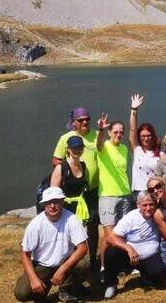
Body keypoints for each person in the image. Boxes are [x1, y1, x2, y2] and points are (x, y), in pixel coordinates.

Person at [14, 187, 88, 303]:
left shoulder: (72, 219)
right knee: (21, 293)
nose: (52, 206)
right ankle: (43, 288)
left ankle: (66, 288)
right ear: (44, 204)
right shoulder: (35, 224)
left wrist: (62, 269)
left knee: (83, 264)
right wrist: (34, 279)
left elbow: (83, 248)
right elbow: (25, 254)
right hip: (42, 265)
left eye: (56, 201)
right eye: (48, 202)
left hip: (65, 262)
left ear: (62, 201)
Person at [52, 107, 99, 267]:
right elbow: (56, 160)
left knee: (92, 224)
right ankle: (70, 260)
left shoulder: (97, 136)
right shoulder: (66, 138)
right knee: (71, 226)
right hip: (73, 192)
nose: (85, 122)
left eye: (87, 119)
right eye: (81, 120)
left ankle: (93, 258)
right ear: (74, 122)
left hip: (92, 190)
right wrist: (71, 168)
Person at [102, 191, 166, 298]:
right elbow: (111, 238)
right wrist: (129, 248)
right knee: (111, 252)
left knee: (158, 277)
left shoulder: (158, 214)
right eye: (144, 205)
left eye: (151, 204)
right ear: (138, 206)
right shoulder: (131, 217)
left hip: (151, 256)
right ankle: (111, 284)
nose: (148, 208)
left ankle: (146, 276)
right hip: (130, 257)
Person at [95, 116, 133, 273]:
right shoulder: (104, 146)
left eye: (121, 132)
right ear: (110, 132)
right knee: (108, 234)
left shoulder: (124, 149)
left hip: (124, 194)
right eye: (115, 132)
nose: (118, 135)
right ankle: (104, 266)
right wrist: (101, 130)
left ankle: (121, 264)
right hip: (108, 196)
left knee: (122, 232)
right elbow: (97, 144)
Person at [37, 135, 88, 214]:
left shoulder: (83, 165)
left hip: (78, 207)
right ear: (68, 149)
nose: (78, 150)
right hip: (62, 209)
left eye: (80, 147)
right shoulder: (61, 168)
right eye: (74, 148)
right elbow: (53, 194)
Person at [128, 94, 161, 201]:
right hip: (138, 193)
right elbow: (132, 130)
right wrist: (134, 110)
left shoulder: (161, 154)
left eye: (148, 136)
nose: (146, 138)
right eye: (143, 136)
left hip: (154, 193)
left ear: (153, 136)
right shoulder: (137, 150)